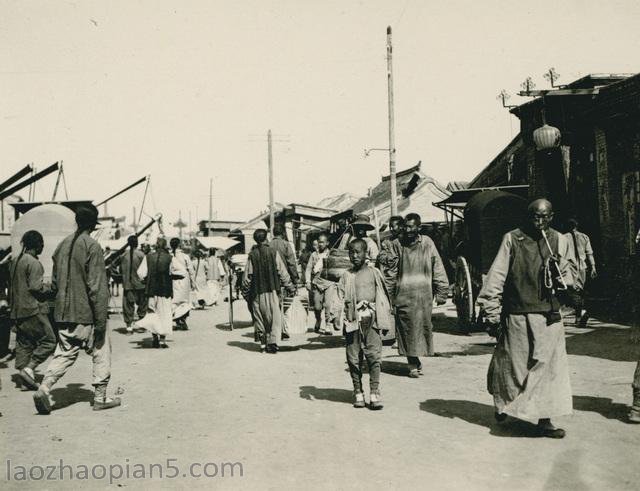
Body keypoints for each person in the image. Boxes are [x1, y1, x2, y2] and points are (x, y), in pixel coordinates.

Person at [477, 199, 574, 438]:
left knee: (548, 368)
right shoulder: (513, 239)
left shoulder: (560, 240)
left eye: (545, 217)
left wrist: (564, 278)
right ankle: (503, 404)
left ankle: (545, 419)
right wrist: (490, 311)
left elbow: (569, 277)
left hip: (549, 315)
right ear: (528, 217)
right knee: (513, 366)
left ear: (552, 217)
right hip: (517, 313)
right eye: (535, 217)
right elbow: (496, 276)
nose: (540, 222)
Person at [33, 204, 120, 415]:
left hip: (63, 313)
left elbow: (54, 285)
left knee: (63, 354)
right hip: (86, 314)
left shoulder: (61, 246)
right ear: (93, 225)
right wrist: (100, 322)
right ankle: (100, 397)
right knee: (101, 350)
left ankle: (44, 387)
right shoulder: (92, 246)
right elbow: (97, 288)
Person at [390, 213, 449, 377]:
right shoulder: (397, 244)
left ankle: (416, 359)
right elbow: (390, 273)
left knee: (421, 328)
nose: (407, 230)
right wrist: (389, 296)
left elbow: (437, 266)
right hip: (403, 295)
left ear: (418, 228)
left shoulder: (427, 243)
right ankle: (412, 363)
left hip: (423, 296)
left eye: (411, 227)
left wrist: (442, 290)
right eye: (405, 226)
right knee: (407, 329)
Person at [338, 239, 393, 410]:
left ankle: (374, 392)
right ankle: (358, 392)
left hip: (372, 319)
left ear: (366, 253)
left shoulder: (374, 273)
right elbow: (339, 298)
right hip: (353, 320)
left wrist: (383, 318)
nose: (355, 255)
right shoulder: (346, 276)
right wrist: (338, 317)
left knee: (374, 357)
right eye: (351, 252)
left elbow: (384, 296)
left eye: (358, 252)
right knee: (353, 358)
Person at [9, 230, 56, 390]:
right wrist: (51, 289)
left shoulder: (15, 261)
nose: (43, 246)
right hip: (32, 309)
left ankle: (24, 381)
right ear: (37, 245)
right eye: (41, 244)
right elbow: (37, 288)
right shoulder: (34, 263)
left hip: (16, 310)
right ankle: (30, 368)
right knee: (49, 341)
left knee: (24, 343)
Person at [243, 229, 296, 353]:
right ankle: (272, 343)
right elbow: (283, 272)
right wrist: (290, 286)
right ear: (266, 238)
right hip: (273, 290)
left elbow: (247, 277)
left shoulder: (252, 255)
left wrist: (245, 292)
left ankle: (262, 343)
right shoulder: (273, 252)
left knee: (259, 317)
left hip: (257, 292)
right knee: (275, 317)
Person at [137, 237, 173, 348]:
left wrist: (146, 280)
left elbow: (140, 273)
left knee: (153, 314)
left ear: (156, 246)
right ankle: (163, 340)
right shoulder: (170, 258)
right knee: (165, 315)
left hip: (151, 290)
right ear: (165, 245)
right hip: (165, 290)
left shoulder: (148, 257)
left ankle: (154, 338)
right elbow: (179, 271)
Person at [564, 218, 597, 327]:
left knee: (572, 291)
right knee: (580, 290)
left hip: (569, 268)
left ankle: (580, 314)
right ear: (576, 226)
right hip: (582, 268)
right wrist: (593, 267)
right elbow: (589, 253)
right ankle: (579, 316)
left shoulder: (564, 238)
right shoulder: (584, 237)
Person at [120, 235, 147, 334]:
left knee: (128, 306)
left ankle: (129, 328)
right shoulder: (141, 255)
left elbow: (116, 268)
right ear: (137, 243)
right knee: (143, 305)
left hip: (128, 285)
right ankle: (141, 325)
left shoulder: (123, 255)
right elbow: (146, 270)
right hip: (140, 284)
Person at [305, 232, 330, 333]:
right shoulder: (314, 255)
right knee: (317, 306)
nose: (320, 244)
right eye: (319, 242)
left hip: (329, 283)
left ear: (327, 243)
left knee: (328, 304)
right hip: (316, 283)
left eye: (323, 242)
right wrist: (307, 281)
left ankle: (328, 324)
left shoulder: (331, 254)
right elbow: (308, 268)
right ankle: (318, 319)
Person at [169, 238, 195, 330]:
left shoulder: (169, 256)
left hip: (173, 281)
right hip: (184, 281)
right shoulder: (185, 256)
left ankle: (177, 320)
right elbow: (191, 270)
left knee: (175, 302)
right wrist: (193, 282)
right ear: (179, 245)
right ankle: (183, 320)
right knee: (184, 302)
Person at [377, 215, 405, 298]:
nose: (391, 229)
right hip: (392, 278)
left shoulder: (407, 241)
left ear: (401, 226)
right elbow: (381, 257)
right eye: (390, 227)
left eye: (393, 226)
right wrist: (389, 257)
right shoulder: (387, 242)